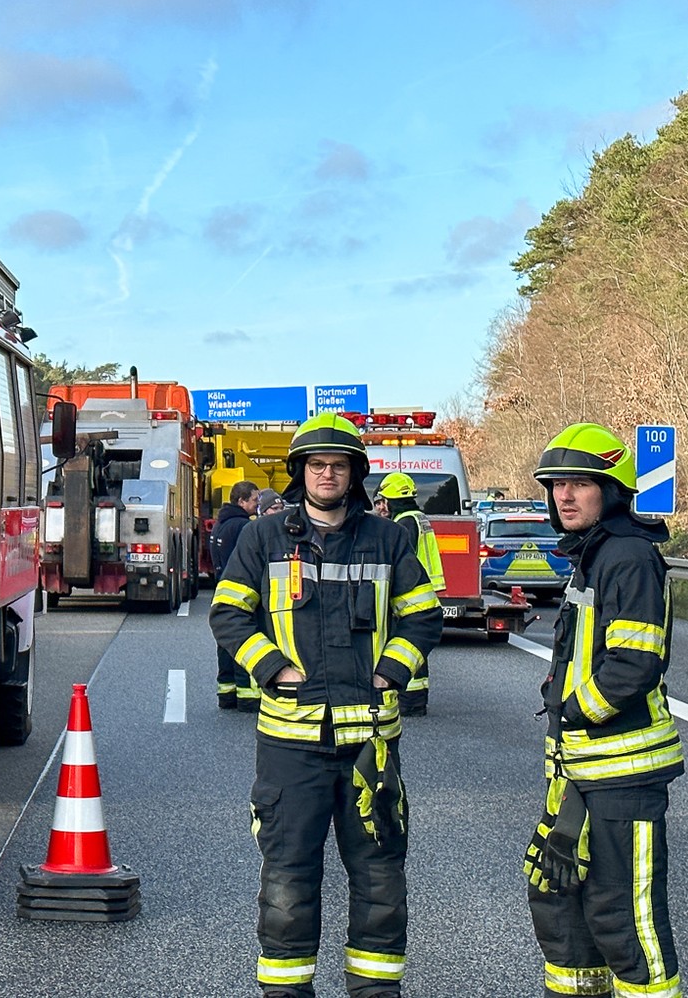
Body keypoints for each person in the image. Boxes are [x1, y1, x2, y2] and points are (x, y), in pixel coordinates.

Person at [211, 413, 442, 998]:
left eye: (339, 466)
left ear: (355, 474)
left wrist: (392, 670)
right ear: (300, 473)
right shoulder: (262, 539)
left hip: (372, 745)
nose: (327, 474)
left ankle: (375, 992)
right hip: (292, 746)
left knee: (380, 876)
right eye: (317, 465)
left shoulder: (390, 540)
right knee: (288, 878)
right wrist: (271, 669)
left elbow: (423, 616)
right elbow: (229, 614)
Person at [524, 424, 683, 998]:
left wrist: (571, 712)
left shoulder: (629, 557)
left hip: (623, 775)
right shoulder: (591, 556)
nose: (564, 496)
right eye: (557, 485)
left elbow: (635, 663)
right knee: (565, 915)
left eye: (580, 485)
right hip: (580, 775)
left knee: (626, 924)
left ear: (610, 491)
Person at [373, 473, 445, 716]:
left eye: (384, 501)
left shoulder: (403, 523)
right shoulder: (417, 517)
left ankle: (411, 700)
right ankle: (415, 699)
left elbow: (399, 561)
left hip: (409, 592)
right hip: (422, 590)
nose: (381, 506)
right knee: (416, 642)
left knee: (406, 644)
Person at [209, 480, 261, 709]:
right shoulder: (243, 526)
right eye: (254, 501)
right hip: (243, 591)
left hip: (223, 591)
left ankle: (227, 693)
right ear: (241, 501)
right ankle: (247, 697)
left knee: (226, 644)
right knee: (245, 642)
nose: (257, 506)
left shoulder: (221, 524)